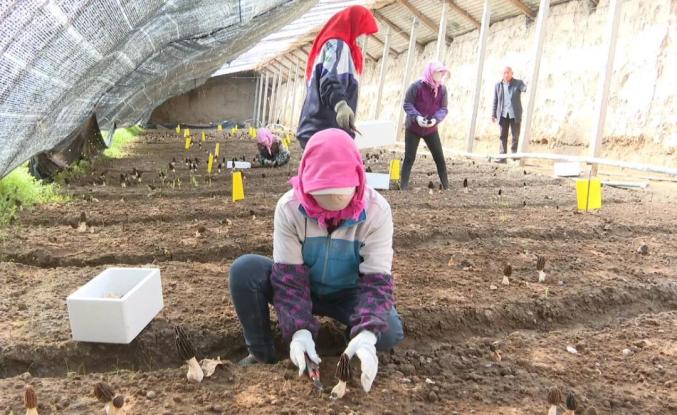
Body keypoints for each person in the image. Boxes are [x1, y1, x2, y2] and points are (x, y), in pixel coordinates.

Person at [229, 128, 403, 393]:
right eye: (320, 204)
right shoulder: (289, 208)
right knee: (245, 271)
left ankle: (352, 341)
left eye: (341, 205)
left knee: (388, 331)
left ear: (357, 182)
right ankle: (262, 353)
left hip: (348, 292)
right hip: (304, 285)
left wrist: (367, 333)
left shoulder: (377, 212)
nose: (331, 213)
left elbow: (376, 280)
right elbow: (288, 279)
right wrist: (299, 331)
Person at [296, 6, 378, 149]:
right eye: (360, 31)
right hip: (324, 132)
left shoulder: (337, 47)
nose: (360, 37)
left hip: (318, 131)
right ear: (352, 25)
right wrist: (340, 105)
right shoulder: (336, 44)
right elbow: (328, 78)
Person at [401, 61, 450, 190]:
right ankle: (403, 186)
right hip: (413, 128)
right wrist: (417, 117)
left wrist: (435, 120)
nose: (440, 74)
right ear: (430, 72)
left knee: (439, 157)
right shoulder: (416, 87)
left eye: (441, 72)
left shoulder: (442, 89)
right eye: (437, 72)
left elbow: (444, 108)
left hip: (431, 129)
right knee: (409, 157)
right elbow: (407, 104)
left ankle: (446, 185)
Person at [492, 66, 527, 161]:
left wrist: (525, 86)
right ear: (503, 74)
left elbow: (524, 88)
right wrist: (493, 114)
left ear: (512, 73)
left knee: (515, 135)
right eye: (505, 73)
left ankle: (514, 155)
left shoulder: (518, 83)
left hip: (514, 114)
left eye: (508, 72)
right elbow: (495, 100)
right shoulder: (498, 85)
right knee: (503, 135)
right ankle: (502, 157)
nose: (506, 74)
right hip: (502, 114)